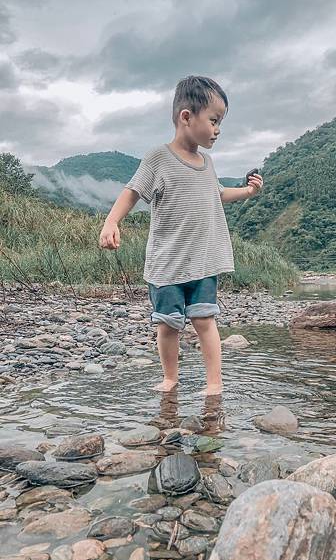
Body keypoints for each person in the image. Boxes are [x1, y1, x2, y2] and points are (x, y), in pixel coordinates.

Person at [99, 75, 263, 395]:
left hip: (202, 260)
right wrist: (111, 222)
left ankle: (214, 384)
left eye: (220, 123)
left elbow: (217, 193)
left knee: (205, 320)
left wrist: (247, 191)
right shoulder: (159, 157)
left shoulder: (208, 162)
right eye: (214, 120)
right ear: (186, 117)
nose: (218, 130)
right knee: (168, 324)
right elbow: (133, 191)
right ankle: (170, 378)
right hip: (167, 263)